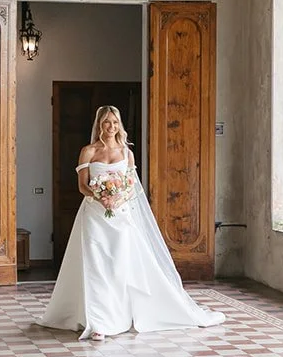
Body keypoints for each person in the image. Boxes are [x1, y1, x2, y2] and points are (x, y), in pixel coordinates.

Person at [33, 105, 224, 341]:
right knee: (96, 266)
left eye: (114, 122)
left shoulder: (126, 152)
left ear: (119, 125)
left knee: (119, 265)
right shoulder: (89, 151)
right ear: (99, 124)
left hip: (121, 216)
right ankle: (99, 322)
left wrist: (117, 198)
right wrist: (100, 197)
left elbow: (131, 185)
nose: (110, 127)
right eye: (106, 122)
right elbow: (82, 185)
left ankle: (124, 314)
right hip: (94, 214)